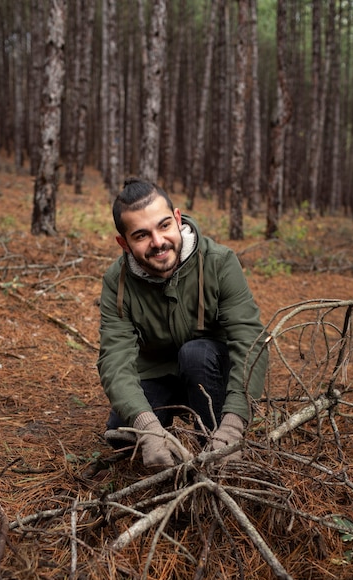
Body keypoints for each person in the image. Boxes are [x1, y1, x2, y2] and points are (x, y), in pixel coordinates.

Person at [97, 177, 268, 471]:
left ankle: (214, 445)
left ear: (177, 219)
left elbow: (249, 340)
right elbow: (114, 359)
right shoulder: (118, 282)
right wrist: (147, 427)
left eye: (164, 226)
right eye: (141, 235)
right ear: (123, 243)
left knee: (196, 354)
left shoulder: (219, 262)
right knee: (123, 437)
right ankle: (163, 432)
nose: (158, 242)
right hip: (159, 372)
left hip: (212, 368)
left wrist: (234, 422)